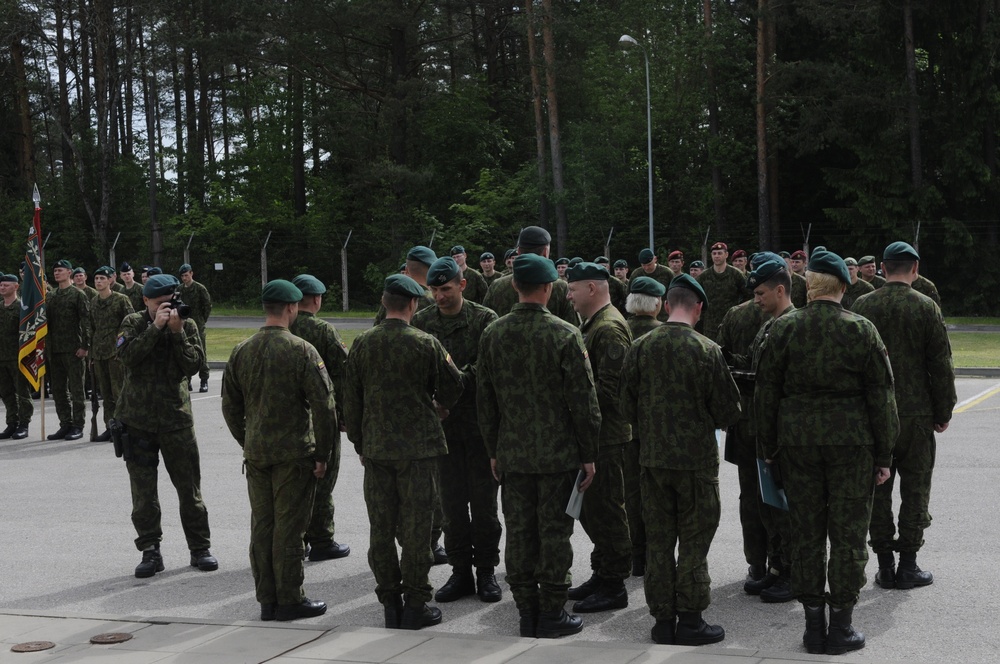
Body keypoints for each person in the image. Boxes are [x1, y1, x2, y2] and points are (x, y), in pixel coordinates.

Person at [754, 249, 898, 656]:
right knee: (849, 534)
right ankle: (842, 625)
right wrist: (885, 455)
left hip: (797, 446)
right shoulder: (861, 330)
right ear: (844, 285)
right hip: (852, 446)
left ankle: (813, 625)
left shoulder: (784, 329)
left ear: (808, 284)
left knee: (807, 533)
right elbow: (882, 399)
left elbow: (766, 395)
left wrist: (768, 450)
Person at [478, 253, 601, 639]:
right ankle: (551, 612)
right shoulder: (565, 334)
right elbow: (585, 403)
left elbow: (486, 401)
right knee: (553, 534)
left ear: (515, 285)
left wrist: (493, 449)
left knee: (519, 532)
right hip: (557, 455)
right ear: (550, 289)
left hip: (513, 453)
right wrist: (589, 455)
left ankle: (526, 611)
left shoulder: (493, 333)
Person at [620, 274, 741, 646]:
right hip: (696, 464)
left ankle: (662, 621)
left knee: (658, 542)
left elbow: (625, 405)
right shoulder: (707, 350)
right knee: (693, 542)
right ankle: (690, 619)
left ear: (668, 305)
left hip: (653, 461)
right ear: (699, 308)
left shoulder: (640, 347)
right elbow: (728, 412)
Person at [344, 274, 464, 630]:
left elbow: (351, 402)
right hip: (419, 450)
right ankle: (416, 603)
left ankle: (390, 602)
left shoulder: (363, 344)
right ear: (413, 304)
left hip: (378, 450)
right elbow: (454, 384)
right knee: (416, 529)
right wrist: (440, 405)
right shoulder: (425, 343)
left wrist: (361, 444)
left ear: (384, 302)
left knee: (380, 528)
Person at [222, 279, 336, 622]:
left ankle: (267, 600)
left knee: (263, 525)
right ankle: (289, 599)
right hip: (293, 454)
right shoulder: (301, 350)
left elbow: (230, 406)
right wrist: (323, 454)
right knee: (289, 528)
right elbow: (324, 407)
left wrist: (247, 439)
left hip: (257, 454)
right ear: (291, 308)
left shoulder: (242, 349)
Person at [852, 242, 956, 591]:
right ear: (915, 268)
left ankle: (884, 564)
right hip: (915, 413)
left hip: (874, 414)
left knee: (877, 491)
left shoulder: (863, 305)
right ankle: (908, 564)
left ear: (882, 268)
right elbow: (940, 365)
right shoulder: (926, 306)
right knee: (915, 489)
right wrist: (943, 410)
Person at [412, 257, 502, 605]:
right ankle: (460, 571)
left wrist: (452, 388)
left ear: (462, 285)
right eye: (434, 290)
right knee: (450, 505)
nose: (439, 296)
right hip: (443, 430)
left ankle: (487, 572)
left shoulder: (484, 320)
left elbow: (487, 367)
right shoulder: (423, 321)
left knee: (483, 506)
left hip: (478, 427)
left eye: (445, 289)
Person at [115, 273, 218, 579]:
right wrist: (155, 327)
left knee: (189, 490)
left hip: (176, 419)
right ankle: (150, 550)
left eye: (171, 302)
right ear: (145, 301)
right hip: (138, 420)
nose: (169, 308)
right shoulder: (133, 323)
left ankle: (200, 548)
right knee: (144, 493)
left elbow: (194, 366)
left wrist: (176, 332)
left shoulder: (186, 324)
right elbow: (127, 358)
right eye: (161, 304)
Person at [564, 262, 633, 614]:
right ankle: (602, 572)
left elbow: (608, 393)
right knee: (593, 511)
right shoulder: (594, 325)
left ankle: (615, 583)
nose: (568, 295)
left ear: (591, 288)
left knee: (607, 510)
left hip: (606, 437)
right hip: (595, 435)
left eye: (572, 288)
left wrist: (570, 402)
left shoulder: (608, 329)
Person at [735, 259, 797, 603]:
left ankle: (791, 572)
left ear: (779, 289)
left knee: (784, 506)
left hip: (781, 433)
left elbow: (780, 383)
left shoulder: (791, 326)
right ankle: (776, 567)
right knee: (769, 506)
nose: (756, 299)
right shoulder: (769, 326)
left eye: (760, 293)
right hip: (762, 430)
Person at [289, 274, 351, 563]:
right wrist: (345, 414)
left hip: (289, 419)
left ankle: (296, 542)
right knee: (324, 479)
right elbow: (343, 373)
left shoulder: (283, 326)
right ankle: (322, 539)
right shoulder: (324, 330)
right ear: (316, 299)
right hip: (321, 415)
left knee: (294, 483)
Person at [621, 276, 665, 576]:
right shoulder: (664, 335)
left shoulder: (617, 330)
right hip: (658, 430)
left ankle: (635, 555)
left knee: (629, 493)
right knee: (657, 493)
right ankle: (655, 554)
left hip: (625, 427)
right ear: (658, 304)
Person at [482, 226, 577, 325]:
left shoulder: (496, 286)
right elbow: (573, 326)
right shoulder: (560, 288)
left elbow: (485, 324)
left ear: (518, 252)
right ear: (545, 252)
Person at [46, 259, 90, 441]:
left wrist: (85, 346)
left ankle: (78, 425)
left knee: (77, 389)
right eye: (55, 271)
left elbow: (87, 322)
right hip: (54, 349)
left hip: (73, 349)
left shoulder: (78, 295)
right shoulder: (51, 296)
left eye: (60, 270)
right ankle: (65, 423)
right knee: (58, 390)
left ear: (69, 273)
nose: (57, 273)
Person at [89, 266, 134, 441]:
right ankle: (110, 426)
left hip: (116, 353)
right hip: (99, 353)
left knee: (119, 391)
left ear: (110, 280)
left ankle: (124, 425)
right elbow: (92, 328)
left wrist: (121, 348)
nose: (99, 281)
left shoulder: (121, 299)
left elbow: (130, 324)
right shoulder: (93, 302)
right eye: (96, 279)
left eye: (102, 278)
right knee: (105, 393)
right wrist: (91, 354)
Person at [0, 274, 31, 439]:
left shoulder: (22, 308)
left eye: (6, 285)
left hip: (17, 357)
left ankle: (24, 424)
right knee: (6, 392)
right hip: (1, 357)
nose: (2, 288)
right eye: (1, 285)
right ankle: (12, 422)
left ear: (16, 287)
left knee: (22, 392)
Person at [697, 242, 748, 341]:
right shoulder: (704, 276)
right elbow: (695, 294)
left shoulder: (736, 274)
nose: (716, 256)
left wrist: (739, 310)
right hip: (709, 326)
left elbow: (749, 295)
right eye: (714, 253)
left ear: (726, 255)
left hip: (730, 323)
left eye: (720, 253)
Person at [373, 246, 436, 325]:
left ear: (406, 269)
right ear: (432, 270)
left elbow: (377, 326)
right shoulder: (435, 300)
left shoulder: (394, 295)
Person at [178, 264, 212, 392]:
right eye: (182, 276)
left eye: (186, 275)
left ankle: (204, 380)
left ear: (191, 274)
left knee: (201, 353)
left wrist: (202, 321)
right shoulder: (180, 289)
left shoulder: (199, 289)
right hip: (184, 326)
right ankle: (188, 380)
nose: (184, 278)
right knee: (185, 353)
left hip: (198, 325)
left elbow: (207, 306)